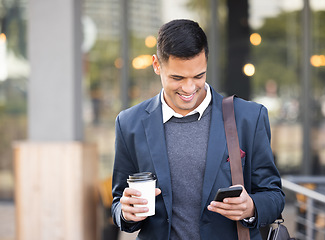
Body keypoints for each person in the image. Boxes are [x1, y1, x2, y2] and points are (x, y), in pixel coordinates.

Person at [111, 19, 285, 240]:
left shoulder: (248, 117)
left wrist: (251, 207)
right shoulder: (129, 123)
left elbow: (274, 196)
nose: (189, 88)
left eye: (198, 76)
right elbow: (118, 204)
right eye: (177, 78)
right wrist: (126, 213)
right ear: (156, 65)